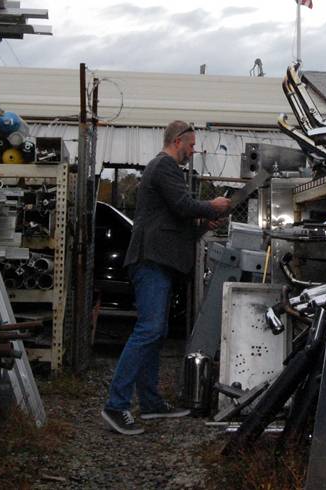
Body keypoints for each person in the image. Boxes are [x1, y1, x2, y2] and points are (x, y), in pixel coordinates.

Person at [101, 120, 231, 435]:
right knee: (148, 330)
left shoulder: (165, 171)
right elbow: (183, 205)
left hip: (157, 260)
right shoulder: (164, 167)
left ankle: (150, 403)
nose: (193, 149)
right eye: (191, 144)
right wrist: (212, 207)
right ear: (176, 141)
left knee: (155, 332)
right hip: (151, 260)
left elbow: (177, 221)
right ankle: (115, 405)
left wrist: (203, 224)